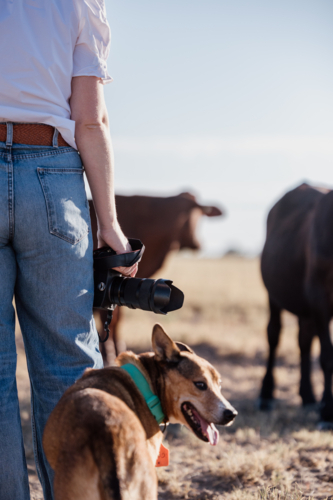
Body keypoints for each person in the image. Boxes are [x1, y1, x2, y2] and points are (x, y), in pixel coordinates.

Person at [0, 1, 136, 499]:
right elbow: (91, 120)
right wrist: (111, 224)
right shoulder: (79, 3)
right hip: (54, 176)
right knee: (66, 369)